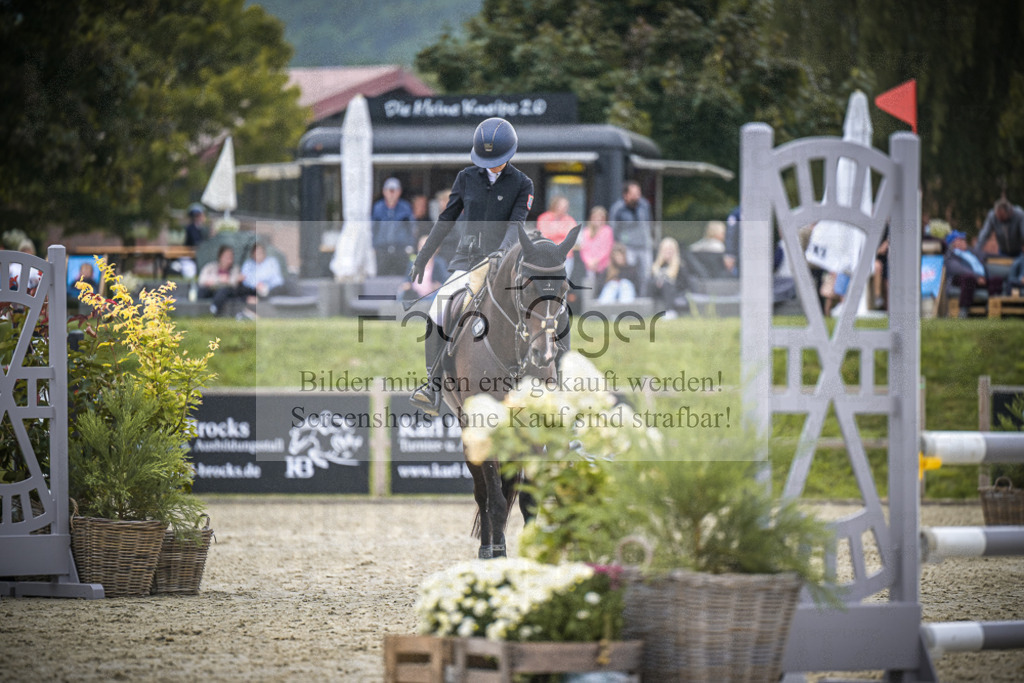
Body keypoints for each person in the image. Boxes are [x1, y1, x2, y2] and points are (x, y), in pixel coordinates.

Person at [409, 117, 535, 414]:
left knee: (543, 308)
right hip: (466, 262)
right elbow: (447, 218)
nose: (490, 165)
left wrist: (501, 255)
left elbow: (515, 225)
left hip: (504, 263)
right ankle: (432, 385)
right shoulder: (466, 177)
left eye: (496, 161)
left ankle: (552, 380)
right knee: (438, 308)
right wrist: (424, 255)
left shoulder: (522, 184)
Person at [944, 230, 1004, 318]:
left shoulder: (971, 252)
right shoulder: (951, 255)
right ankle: (963, 310)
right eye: (960, 240)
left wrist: (1010, 257)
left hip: (980, 279)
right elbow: (958, 269)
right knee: (969, 278)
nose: (964, 241)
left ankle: (990, 307)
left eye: (964, 239)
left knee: (997, 280)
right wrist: (977, 277)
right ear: (953, 244)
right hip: (960, 280)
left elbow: (987, 255)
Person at [608, 181, 653, 295]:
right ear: (625, 195)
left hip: (644, 246)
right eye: (633, 194)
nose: (637, 197)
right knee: (629, 274)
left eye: (638, 193)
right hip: (627, 247)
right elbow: (613, 229)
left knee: (646, 275)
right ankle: (629, 298)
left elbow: (649, 224)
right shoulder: (618, 208)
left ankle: (644, 299)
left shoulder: (644, 205)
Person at [372, 177, 416, 275]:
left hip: (401, 249)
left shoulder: (405, 207)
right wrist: (373, 245)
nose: (391, 194)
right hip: (382, 249)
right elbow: (373, 228)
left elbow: (411, 227)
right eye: (389, 190)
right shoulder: (378, 207)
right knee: (382, 277)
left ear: (399, 192)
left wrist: (410, 245)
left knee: (401, 277)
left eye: (394, 191)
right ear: (384, 191)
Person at [198, 245, 252, 318]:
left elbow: (234, 282)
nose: (229, 260)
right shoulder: (210, 267)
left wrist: (225, 280)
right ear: (220, 257)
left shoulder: (235, 269)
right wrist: (219, 279)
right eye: (226, 257)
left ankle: (214, 309)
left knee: (224, 291)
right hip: (211, 290)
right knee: (202, 290)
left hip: (226, 293)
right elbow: (202, 280)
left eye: (231, 257)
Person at [578, 206, 614, 292]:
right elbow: (583, 249)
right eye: (595, 217)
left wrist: (596, 261)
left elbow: (607, 249)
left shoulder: (607, 231)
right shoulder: (586, 231)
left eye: (600, 218)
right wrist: (589, 262)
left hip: (603, 265)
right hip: (589, 266)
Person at [649, 237, 683, 317]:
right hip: (658, 290)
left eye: (671, 249)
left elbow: (682, 283)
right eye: (666, 249)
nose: (668, 251)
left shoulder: (681, 265)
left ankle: (670, 311)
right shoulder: (656, 264)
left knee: (667, 284)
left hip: (676, 290)